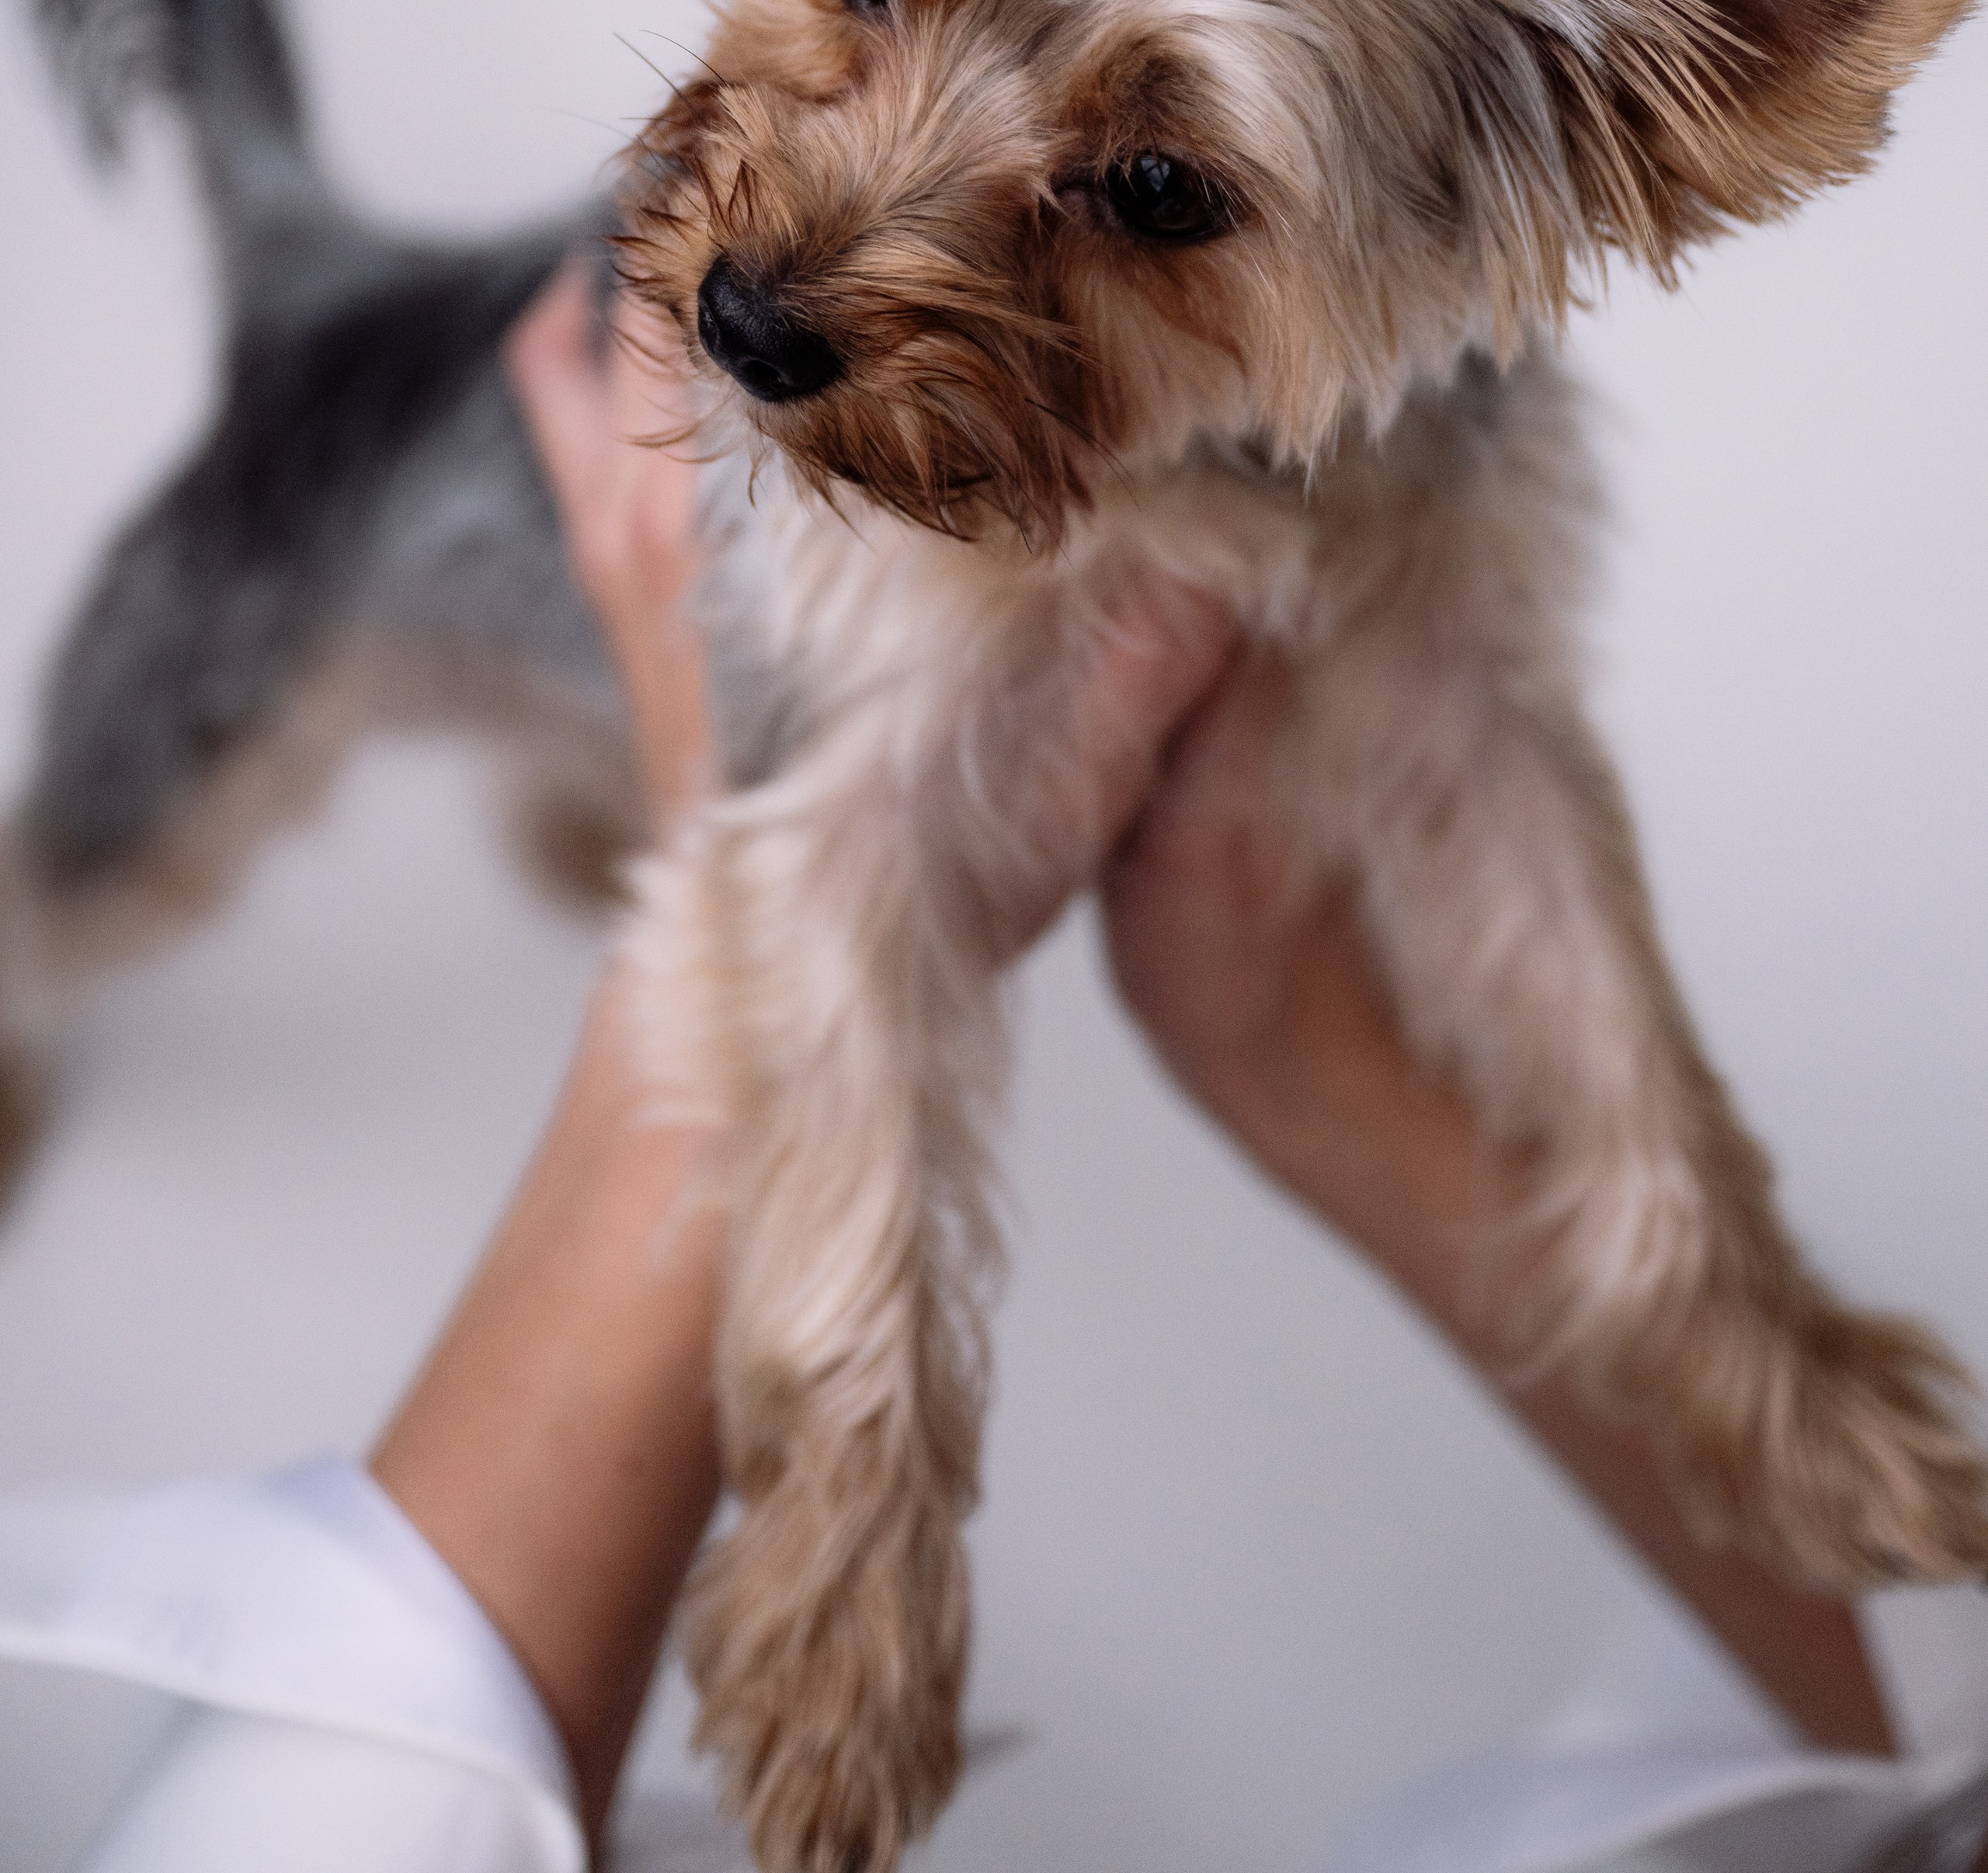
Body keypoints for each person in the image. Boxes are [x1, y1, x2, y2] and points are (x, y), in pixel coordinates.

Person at [2, 266, 1983, 1872]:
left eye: (1140, 187)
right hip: (356, 457)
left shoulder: (1443, 419)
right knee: (98, 848)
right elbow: (1941, 1717)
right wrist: (1286, 1037)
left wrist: (736, 810)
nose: (763, 303)